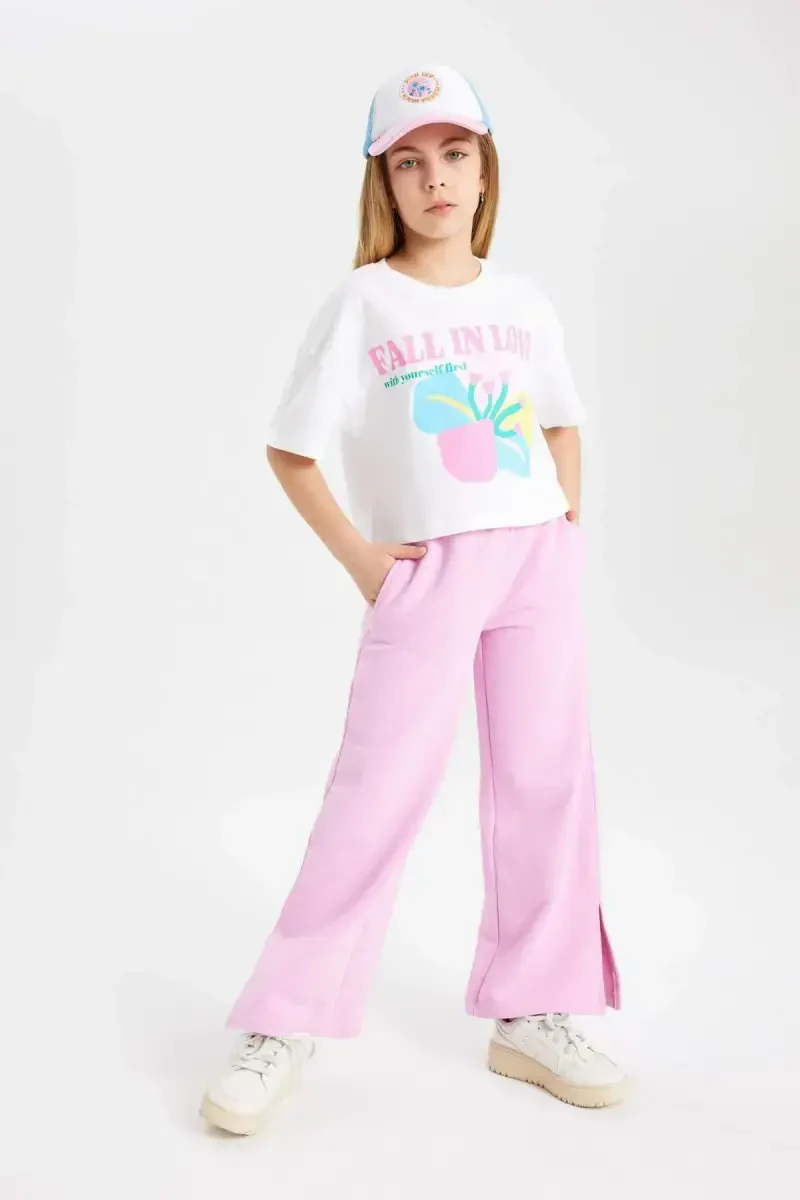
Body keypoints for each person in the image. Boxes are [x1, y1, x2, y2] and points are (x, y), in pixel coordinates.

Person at [200, 63, 626, 1137]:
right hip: (426, 570)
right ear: (382, 183)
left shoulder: (521, 300)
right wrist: (362, 561)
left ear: (484, 171)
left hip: (535, 560)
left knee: (546, 783)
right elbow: (290, 449)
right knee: (377, 789)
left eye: (454, 154)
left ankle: (532, 1009)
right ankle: (282, 1019)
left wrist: (563, 527)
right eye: (408, 161)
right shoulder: (362, 302)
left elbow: (559, 419)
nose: (434, 177)